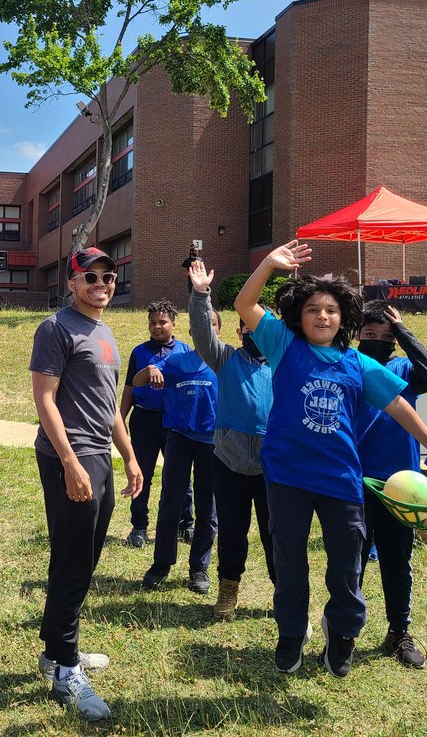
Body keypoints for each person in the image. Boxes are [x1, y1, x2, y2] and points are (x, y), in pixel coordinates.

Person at [233, 239, 427, 679]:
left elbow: (398, 404)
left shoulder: (356, 362)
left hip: (342, 478)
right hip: (287, 476)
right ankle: (290, 633)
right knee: (290, 561)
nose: (321, 316)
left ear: (344, 318)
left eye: (330, 310)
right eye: (312, 309)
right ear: (298, 318)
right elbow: (245, 303)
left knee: (347, 565)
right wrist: (268, 263)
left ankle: (341, 632)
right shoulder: (283, 344)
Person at [30, 247, 142, 721]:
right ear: (72, 283)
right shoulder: (55, 328)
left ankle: (56, 651)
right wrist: (70, 462)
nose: (102, 282)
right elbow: (45, 399)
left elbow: (110, 405)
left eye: (109, 275)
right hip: (69, 457)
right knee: (74, 559)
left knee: (84, 556)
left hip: (98, 456)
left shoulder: (105, 331)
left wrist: (131, 457)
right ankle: (66, 669)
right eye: (90, 276)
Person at [354, 301, 427, 668]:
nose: (378, 341)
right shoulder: (348, 364)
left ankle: (399, 631)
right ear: (357, 333)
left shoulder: (403, 368)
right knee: (352, 562)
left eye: (386, 336)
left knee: (397, 561)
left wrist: (404, 332)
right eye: (370, 334)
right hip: (355, 481)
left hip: (400, 485)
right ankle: (344, 629)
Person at [184, 259, 276, 620]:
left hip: (272, 466)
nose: (253, 331)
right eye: (247, 326)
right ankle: (228, 592)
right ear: (239, 333)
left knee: (276, 535)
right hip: (229, 461)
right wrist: (201, 294)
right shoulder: (225, 358)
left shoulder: (285, 364)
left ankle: (284, 592)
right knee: (233, 533)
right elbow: (203, 333)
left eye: (261, 326)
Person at [133, 320, 219, 595]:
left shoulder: (226, 361)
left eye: (212, 325)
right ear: (192, 332)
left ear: (217, 330)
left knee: (208, 508)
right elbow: (137, 383)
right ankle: (161, 564)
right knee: (170, 504)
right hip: (179, 439)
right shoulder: (175, 361)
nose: (205, 330)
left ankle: (199, 568)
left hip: (213, 443)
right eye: (200, 327)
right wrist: (149, 369)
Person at [118, 299, 194, 548]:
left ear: (173, 323)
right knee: (142, 474)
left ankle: (186, 524)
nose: (157, 326)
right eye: (152, 322)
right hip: (144, 420)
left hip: (175, 422)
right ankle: (139, 526)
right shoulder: (140, 352)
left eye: (162, 322)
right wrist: (121, 417)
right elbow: (130, 386)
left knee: (180, 475)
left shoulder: (184, 351)